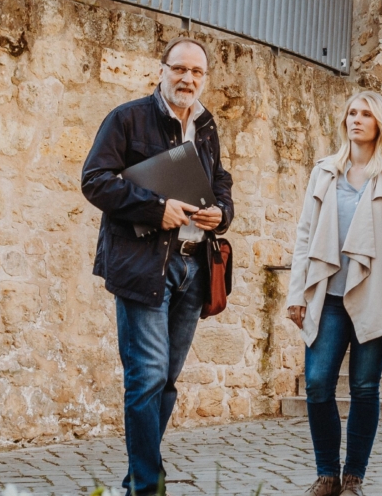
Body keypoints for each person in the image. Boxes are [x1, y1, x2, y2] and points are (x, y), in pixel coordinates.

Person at [81, 38, 234, 496]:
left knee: (166, 381)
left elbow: (220, 180)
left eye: (197, 72)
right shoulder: (127, 118)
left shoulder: (206, 125)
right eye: (179, 69)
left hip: (193, 268)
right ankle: (148, 485)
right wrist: (154, 208)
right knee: (146, 377)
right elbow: (94, 181)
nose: (188, 79)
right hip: (143, 266)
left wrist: (222, 213)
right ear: (162, 70)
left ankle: (137, 477)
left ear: (204, 78)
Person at [286, 92, 382, 496]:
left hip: (374, 295)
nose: (356, 120)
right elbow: (305, 234)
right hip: (326, 295)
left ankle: (353, 478)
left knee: (364, 388)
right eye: (352, 113)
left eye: (366, 114)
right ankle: (326, 472)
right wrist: (297, 292)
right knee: (317, 384)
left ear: (380, 123)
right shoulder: (323, 171)